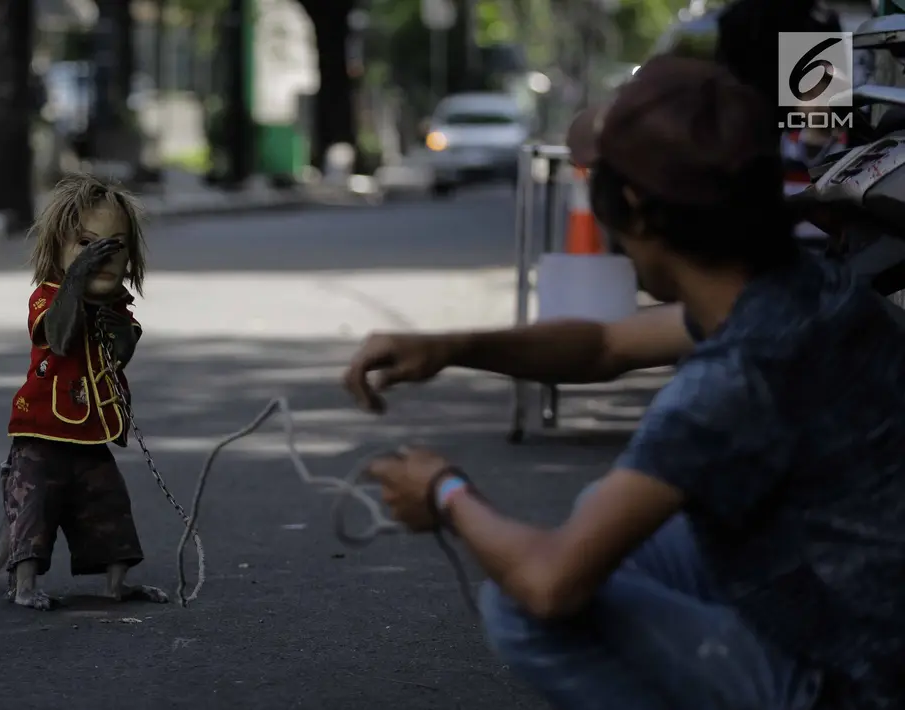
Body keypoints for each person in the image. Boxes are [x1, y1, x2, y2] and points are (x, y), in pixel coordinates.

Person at [343, 55, 905, 710]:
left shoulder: (729, 381)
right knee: (606, 519)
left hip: (858, 682)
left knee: (524, 606)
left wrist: (443, 492)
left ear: (631, 207)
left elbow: (550, 582)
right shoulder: (805, 289)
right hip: (859, 599)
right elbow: (605, 344)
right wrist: (451, 346)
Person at [4, 174, 168, 608]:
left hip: (90, 435)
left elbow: (120, 352)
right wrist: (76, 281)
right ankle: (24, 586)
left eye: (114, 245)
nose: (101, 256)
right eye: (85, 244)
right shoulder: (48, 296)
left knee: (110, 506)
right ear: (57, 251)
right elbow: (57, 339)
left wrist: (114, 321)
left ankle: (117, 585)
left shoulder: (119, 311)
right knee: (34, 506)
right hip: (41, 433)